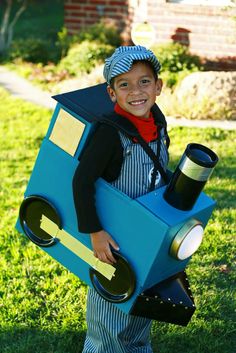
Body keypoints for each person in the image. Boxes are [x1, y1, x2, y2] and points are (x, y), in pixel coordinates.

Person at [73, 45, 170, 353]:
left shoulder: (158, 122)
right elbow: (82, 181)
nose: (136, 91)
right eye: (124, 84)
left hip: (146, 230)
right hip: (113, 238)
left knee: (143, 302)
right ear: (112, 93)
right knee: (112, 305)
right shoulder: (109, 133)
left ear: (158, 86)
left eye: (144, 82)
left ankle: (138, 348)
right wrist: (95, 233)